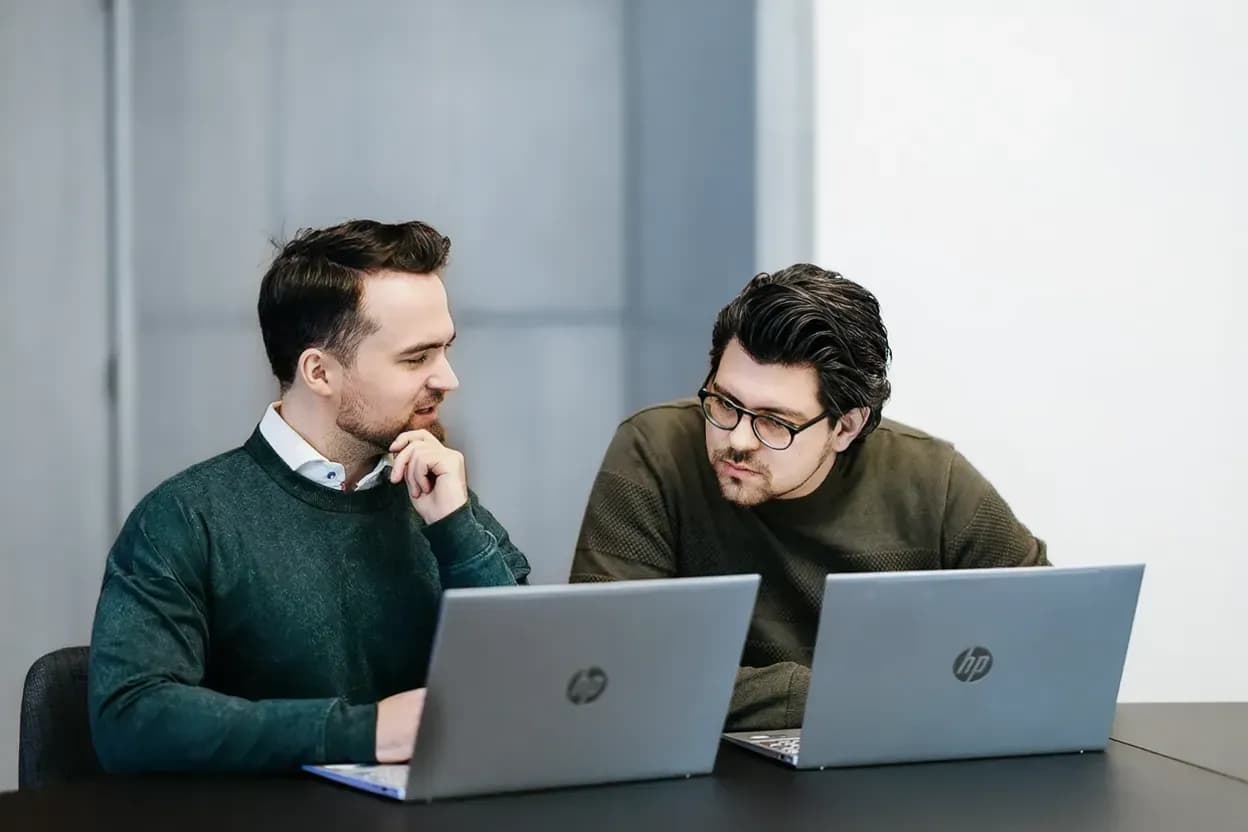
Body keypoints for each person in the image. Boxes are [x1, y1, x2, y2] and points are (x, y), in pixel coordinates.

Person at [89, 219, 530, 772]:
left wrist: (459, 531)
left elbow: (534, 690)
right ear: (319, 371)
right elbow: (131, 719)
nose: (448, 379)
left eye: (446, 350)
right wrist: (364, 731)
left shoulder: (438, 500)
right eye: (417, 358)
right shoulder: (185, 518)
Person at [571, 264, 1046, 731]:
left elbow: (1044, 631)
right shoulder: (654, 450)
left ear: (845, 427)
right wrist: (848, 695)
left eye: (774, 420)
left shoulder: (932, 480)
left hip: (888, 779)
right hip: (704, 773)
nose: (737, 438)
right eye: (723, 402)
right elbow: (608, 665)